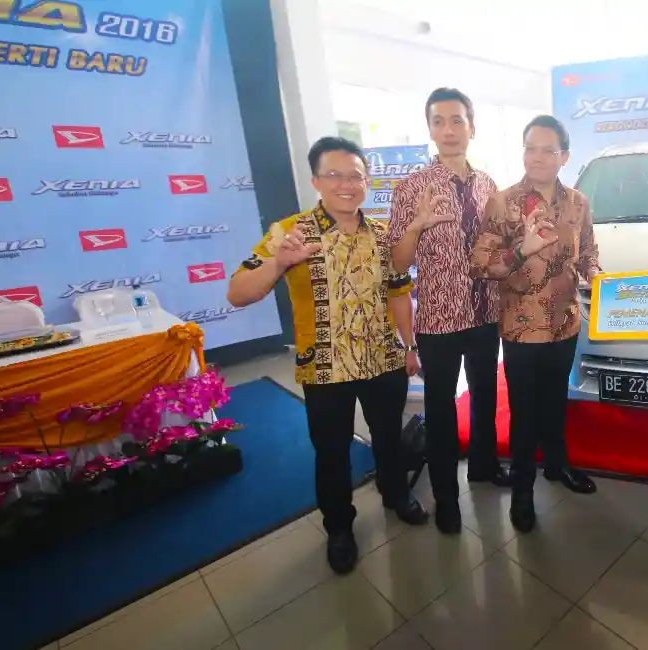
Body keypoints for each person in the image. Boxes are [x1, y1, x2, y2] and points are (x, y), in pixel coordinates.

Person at [227, 136, 427, 575]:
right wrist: (279, 263)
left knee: (388, 437)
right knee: (332, 453)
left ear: (367, 181)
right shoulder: (289, 232)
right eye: (334, 175)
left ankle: (396, 494)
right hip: (325, 368)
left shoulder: (381, 234)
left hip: (383, 360)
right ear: (316, 180)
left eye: (355, 176)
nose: (346, 184)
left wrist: (409, 346)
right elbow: (238, 293)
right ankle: (339, 528)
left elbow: (399, 293)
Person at [385, 88, 508, 535]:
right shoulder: (412, 187)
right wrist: (416, 226)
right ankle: (446, 497)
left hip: (485, 311)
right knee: (439, 409)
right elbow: (397, 264)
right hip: (439, 316)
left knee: (484, 394)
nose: (449, 130)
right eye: (439, 121)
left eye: (457, 120)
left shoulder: (488, 184)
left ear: (472, 127)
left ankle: (484, 466)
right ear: (430, 129)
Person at [470, 115, 600, 531]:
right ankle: (522, 492)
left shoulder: (578, 203)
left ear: (564, 156)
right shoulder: (503, 202)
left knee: (555, 402)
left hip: (565, 323)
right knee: (524, 414)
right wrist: (521, 251)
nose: (537, 157)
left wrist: (595, 274)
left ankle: (557, 466)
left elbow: (588, 252)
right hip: (522, 327)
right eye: (530, 148)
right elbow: (480, 265)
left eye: (547, 150)